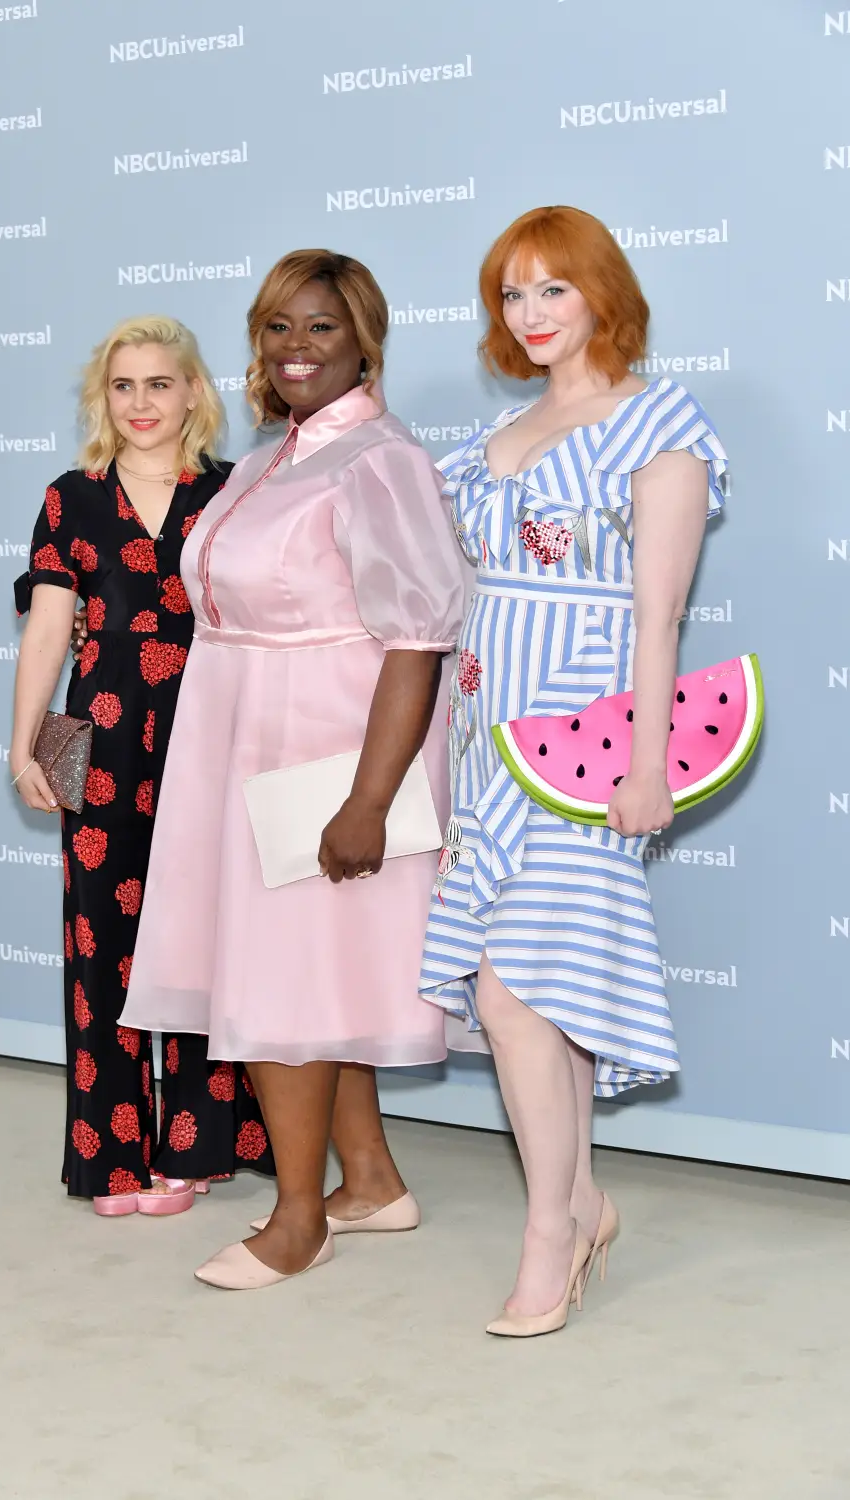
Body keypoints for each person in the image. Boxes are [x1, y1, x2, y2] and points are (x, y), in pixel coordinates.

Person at [118, 251, 466, 1287]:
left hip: (321, 746)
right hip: (241, 736)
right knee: (309, 974)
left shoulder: (377, 457)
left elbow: (417, 637)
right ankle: (370, 1182)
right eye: (277, 327)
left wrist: (368, 799)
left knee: (285, 978)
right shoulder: (281, 452)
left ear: (366, 339)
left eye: (320, 327)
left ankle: (298, 1217)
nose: (295, 347)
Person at [420, 206, 728, 1336]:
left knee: (514, 992)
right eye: (511, 293)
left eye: (553, 289)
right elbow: (458, 614)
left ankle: (549, 1230)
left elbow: (659, 619)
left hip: (591, 750)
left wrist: (645, 766)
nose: (531, 314)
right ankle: (582, 1201)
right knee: (526, 996)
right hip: (485, 738)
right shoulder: (494, 435)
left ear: (602, 292)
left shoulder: (661, 424)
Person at [10, 315, 273, 1215]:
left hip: (213, 735)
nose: (141, 402)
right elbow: (51, 628)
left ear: (195, 392)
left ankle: (196, 1144)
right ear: (103, 398)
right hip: (96, 736)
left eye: (160, 383)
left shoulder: (237, 494)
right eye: (123, 386)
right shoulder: (70, 497)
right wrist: (26, 746)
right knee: (98, 945)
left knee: (203, 940)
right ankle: (108, 1155)